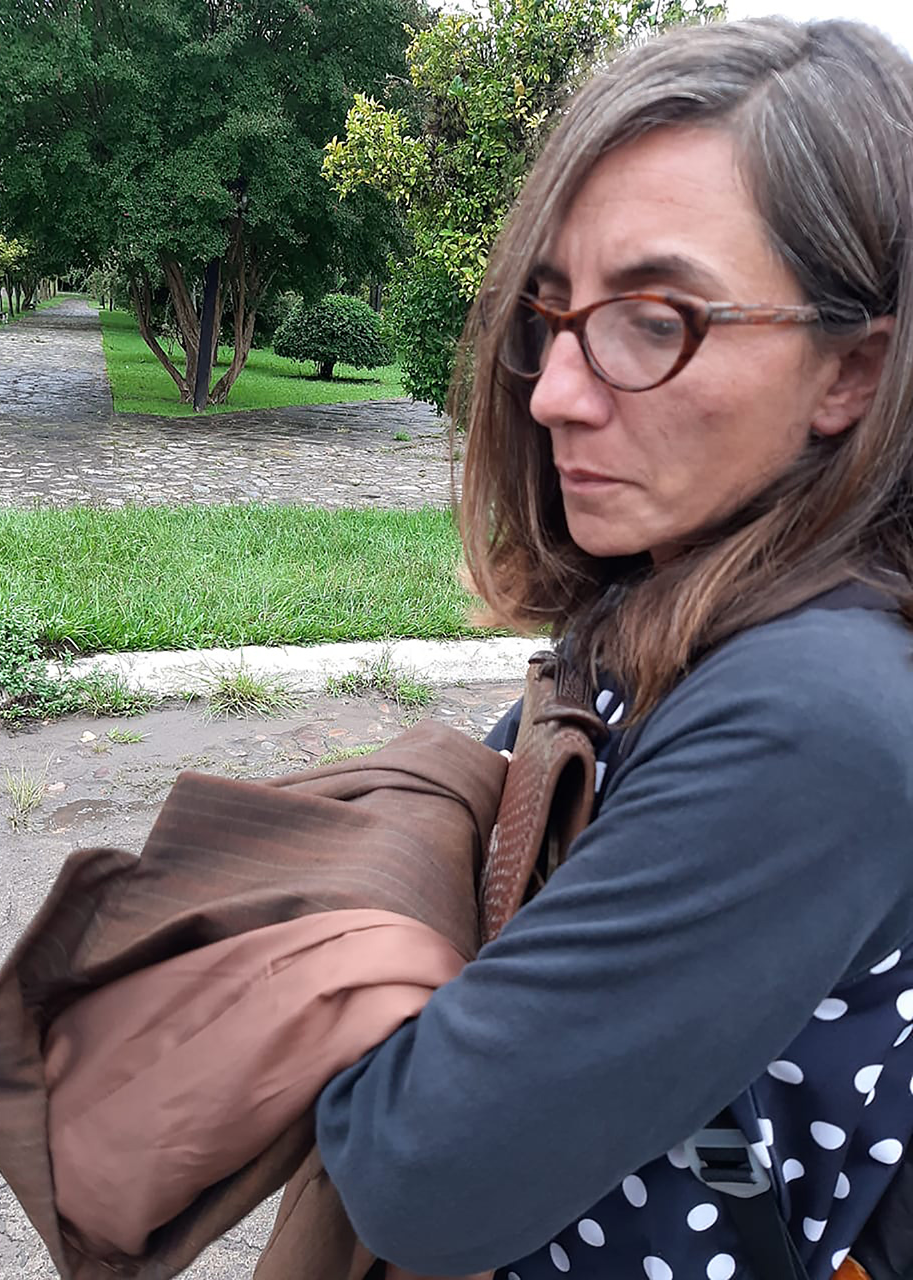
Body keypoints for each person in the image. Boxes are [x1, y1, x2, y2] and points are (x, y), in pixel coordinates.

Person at [315, 16, 913, 1280]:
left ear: (851, 372)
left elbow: (416, 1170)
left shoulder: (812, 711)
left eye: (653, 318)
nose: (552, 392)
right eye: (552, 313)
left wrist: (319, 958)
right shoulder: (683, 599)